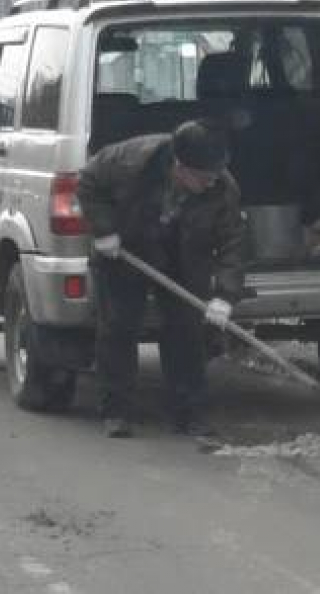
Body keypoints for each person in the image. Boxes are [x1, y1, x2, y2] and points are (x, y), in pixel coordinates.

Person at [78, 119, 246, 438]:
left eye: (215, 175)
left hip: (185, 251)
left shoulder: (222, 186)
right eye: (204, 177)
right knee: (118, 326)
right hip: (128, 245)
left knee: (186, 330)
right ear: (179, 167)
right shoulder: (131, 161)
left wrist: (225, 296)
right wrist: (104, 229)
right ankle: (116, 411)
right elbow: (88, 183)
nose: (212, 182)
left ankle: (188, 413)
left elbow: (233, 243)